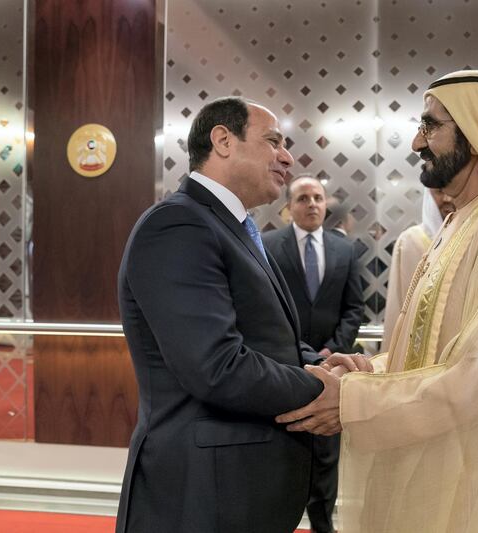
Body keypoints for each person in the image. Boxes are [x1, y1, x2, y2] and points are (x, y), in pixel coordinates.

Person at [277, 70, 478, 532]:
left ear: (476, 135)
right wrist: (370, 371)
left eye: (431, 126)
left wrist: (356, 402)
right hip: (437, 464)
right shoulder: (458, 222)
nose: (417, 143)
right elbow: (431, 350)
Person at [116, 97, 329, 533]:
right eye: (273, 141)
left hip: (238, 490)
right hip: (202, 497)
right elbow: (215, 366)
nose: (287, 156)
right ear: (223, 140)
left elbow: (261, 338)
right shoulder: (178, 225)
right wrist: (322, 388)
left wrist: (324, 364)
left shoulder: (235, 228)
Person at [263, 176, 364, 533]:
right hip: (284, 365)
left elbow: (354, 309)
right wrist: (296, 353)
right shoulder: (268, 245)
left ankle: (323, 525)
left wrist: (332, 351)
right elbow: (266, 307)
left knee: (326, 455)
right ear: (289, 207)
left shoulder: (346, 250)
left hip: (332, 372)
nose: (312, 204)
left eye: (318, 198)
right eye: (303, 198)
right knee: (283, 446)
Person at [381, 187, 455, 350]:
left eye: (452, 188)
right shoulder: (409, 241)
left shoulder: (471, 238)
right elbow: (398, 305)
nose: (447, 198)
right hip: (415, 348)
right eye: (439, 191)